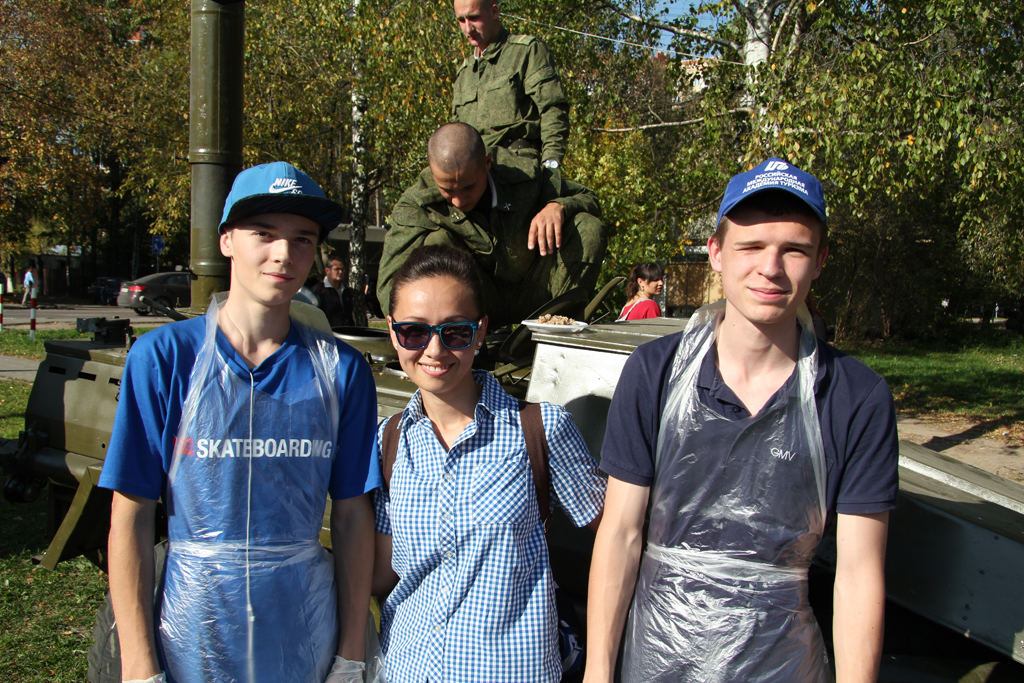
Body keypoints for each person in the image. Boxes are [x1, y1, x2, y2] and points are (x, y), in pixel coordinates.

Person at [585, 158, 899, 683]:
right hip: (658, 660)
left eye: (794, 250)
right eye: (751, 246)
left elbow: (858, 575)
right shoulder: (654, 373)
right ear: (716, 253)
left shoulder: (855, 397)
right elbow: (620, 534)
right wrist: (598, 672)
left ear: (820, 260)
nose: (770, 268)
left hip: (782, 665)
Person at [98, 162, 380, 683]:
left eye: (303, 239)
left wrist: (351, 656)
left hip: (302, 634)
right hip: (191, 635)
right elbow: (130, 515)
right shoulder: (164, 360)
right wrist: (138, 665)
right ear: (226, 240)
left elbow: (351, 517)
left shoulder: (341, 371)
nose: (284, 254)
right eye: (264, 234)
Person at [372, 245, 605, 683]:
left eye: (456, 332)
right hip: (407, 668)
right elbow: (383, 574)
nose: (435, 349)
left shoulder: (539, 430)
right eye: (414, 332)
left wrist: (602, 664)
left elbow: (618, 536)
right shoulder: (389, 441)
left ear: (480, 332)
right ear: (393, 331)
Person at [378, 123, 606, 327]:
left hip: (536, 290)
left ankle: (558, 334)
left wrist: (558, 206)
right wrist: (411, 331)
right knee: (436, 243)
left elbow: (589, 198)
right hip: (475, 302)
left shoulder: (523, 176)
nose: (458, 201)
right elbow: (389, 284)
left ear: (487, 162)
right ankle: (458, 339)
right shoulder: (417, 201)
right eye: (447, 190)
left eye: (468, 187)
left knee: (587, 227)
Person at [451, 0, 570, 168]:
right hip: (474, 171)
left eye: (474, 17)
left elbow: (552, 109)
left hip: (517, 167)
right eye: (461, 20)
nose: (468, 28)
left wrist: (551, 163)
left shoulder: (526, 52)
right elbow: (457, 134)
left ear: (494, 12)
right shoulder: (464, 73)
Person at [311, 253, 357, 327]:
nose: (340, 272)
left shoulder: (346, 291)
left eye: (342, 269)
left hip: (346, 332)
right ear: (327, 270)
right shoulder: (319, 290)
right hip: (326, 332)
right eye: (337, 269)